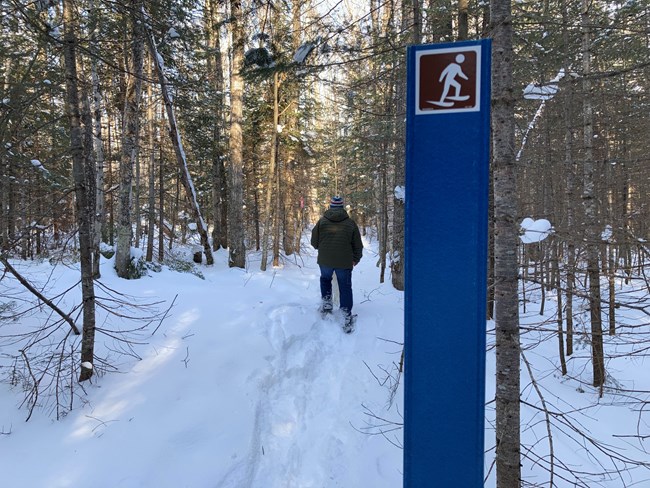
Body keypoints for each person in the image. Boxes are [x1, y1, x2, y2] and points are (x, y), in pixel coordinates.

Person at [311, 196, 363, 327]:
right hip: (344, 262)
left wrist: (323, 249)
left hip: (325, 260)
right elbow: (358, 245)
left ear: (331, 207)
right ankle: (346, 315)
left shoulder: (322, 222)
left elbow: (314, 242)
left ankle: (327, 305)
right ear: (342, 207)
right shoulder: (350, 223)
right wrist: (356, 259)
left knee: (325, 280)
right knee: (345, 287)